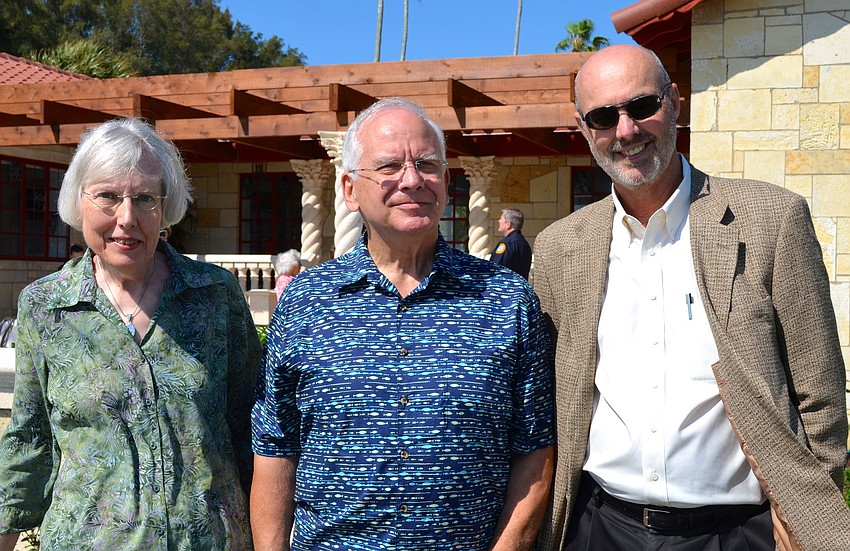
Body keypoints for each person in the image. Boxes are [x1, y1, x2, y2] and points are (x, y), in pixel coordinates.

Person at [533, 44, 850, 551]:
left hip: (740, 534)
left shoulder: (771, 220)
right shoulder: (560, 248)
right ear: (583, 126)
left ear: (675, 101)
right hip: (601, 528)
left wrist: (808, 515)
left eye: (642, 106)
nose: (626, 130)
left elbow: (822, 395)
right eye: (603, 116)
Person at [251, 97, 555, 551]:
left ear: (446, 183)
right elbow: (275, 450)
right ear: (350, 189)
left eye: (428, 165)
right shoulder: (305, 302)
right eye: (390, 165)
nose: (412, 180)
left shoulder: (507, 301)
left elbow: (535, 452)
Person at [0, 118, 260, 550]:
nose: (126, 218)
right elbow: (29, 441)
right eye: (106, 196)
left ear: (166, 207)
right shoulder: (45, 307)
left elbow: (253, 428)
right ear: (77, 202)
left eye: (144, 198)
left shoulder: (216, 295)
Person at [490, 208, 532, 280]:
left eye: (501, 219)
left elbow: (495, 267)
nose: (499, 221)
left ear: (508, 224)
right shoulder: (524, 244)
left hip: (506, 287)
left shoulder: (506, 243)